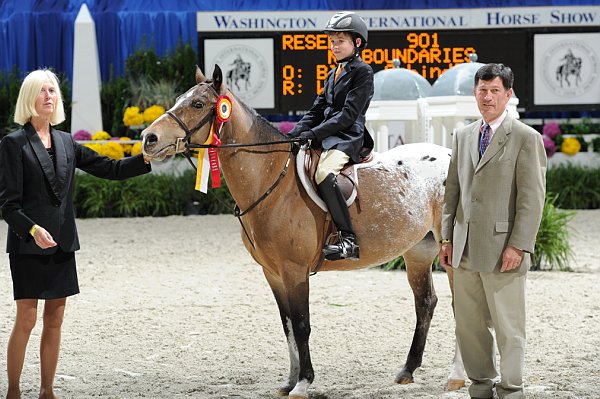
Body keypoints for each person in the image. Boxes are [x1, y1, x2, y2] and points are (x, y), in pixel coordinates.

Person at [0, 69, 151, 399]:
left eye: (53, 90)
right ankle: (12, 391)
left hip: (63, 244)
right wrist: (32, 229)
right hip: (28, 245)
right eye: (42, 91)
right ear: (30, 98)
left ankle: (46, 390)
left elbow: (110, 169)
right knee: (26, 320)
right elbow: (8, 206)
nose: (49, 96)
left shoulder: (68, 142)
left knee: (54, 321)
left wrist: (147, 158)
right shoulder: (13, 144)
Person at [438, 63, 546, 399]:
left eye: (495, 90)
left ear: (508, 95)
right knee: (468, 327)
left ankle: (512, 389)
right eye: (482, 90)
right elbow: (452, 193)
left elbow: (532, 201)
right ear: (475, 93)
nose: (487, 97)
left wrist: (519, 246)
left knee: (508, 328)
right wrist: (446, 237)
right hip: (464, 248)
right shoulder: (463, 135)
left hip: (504, 251)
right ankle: (481, 386)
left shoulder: (527, 139)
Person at [288, 11, 374, 261]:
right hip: (325, 136)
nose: (334, 46)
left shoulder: (363, 72)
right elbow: (316, 111)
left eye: (340, 41)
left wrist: (312, 134)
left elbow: (348, 116)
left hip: (347, 137)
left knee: (324, 173)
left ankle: (348, 239)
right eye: (332, 41)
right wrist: (292, 135)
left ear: (357, 43)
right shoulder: (332, 74)